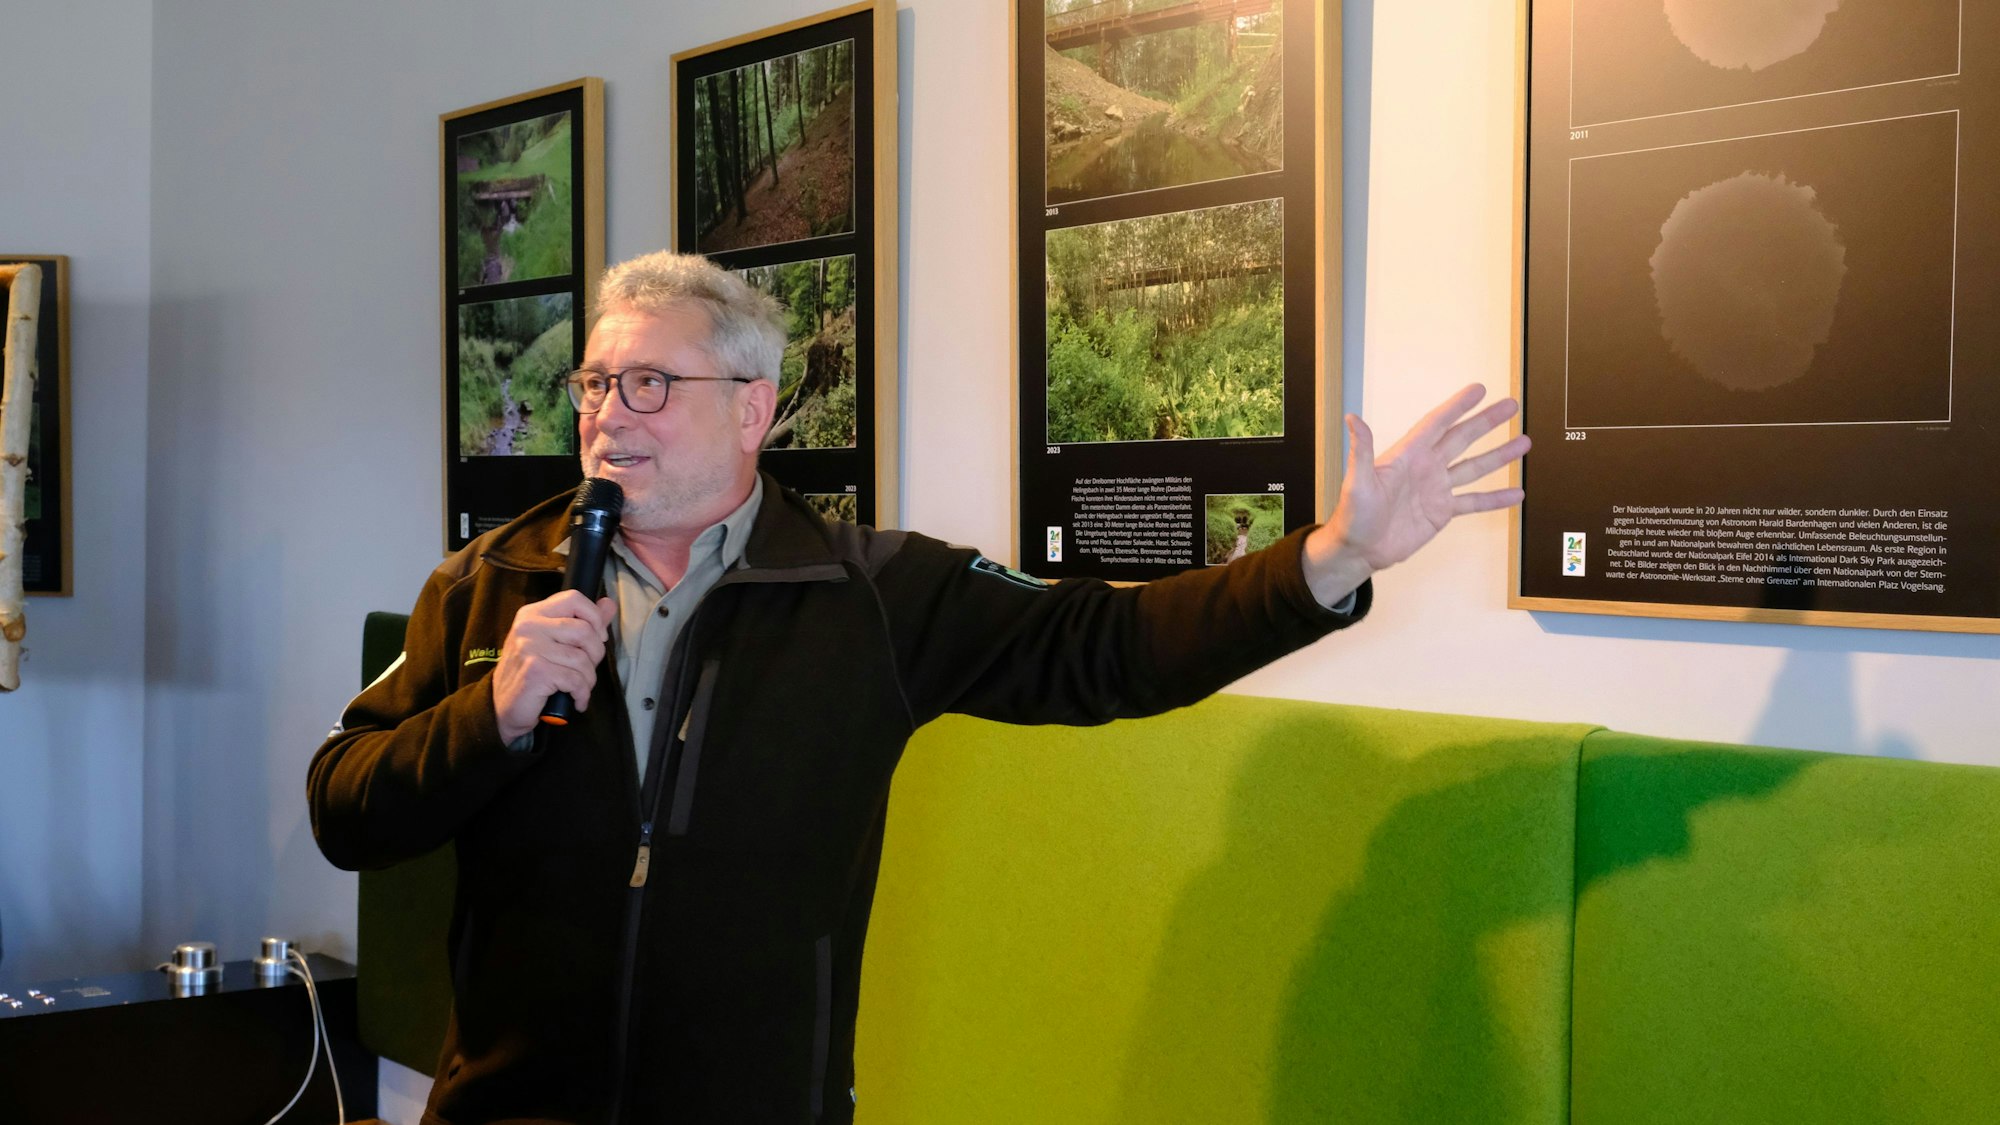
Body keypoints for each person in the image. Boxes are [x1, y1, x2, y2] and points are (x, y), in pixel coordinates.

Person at [308, 250, 1529, 1124]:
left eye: (648, 385)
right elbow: (344, 805)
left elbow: (1108, 647)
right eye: (593, 383)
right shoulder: (488, 583)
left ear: (752, 408)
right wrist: (488, 718)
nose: (605, 416)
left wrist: (1330, 560)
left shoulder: (870, 594)